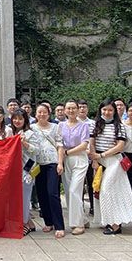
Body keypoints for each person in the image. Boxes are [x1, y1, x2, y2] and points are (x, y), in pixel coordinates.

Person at [89, 99, 132, 235]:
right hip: (99, 162)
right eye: (104, 109)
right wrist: (95, 159)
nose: (107, 112)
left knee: (108, 190)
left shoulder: (119, 126)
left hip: (114, 162)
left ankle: (116, 224)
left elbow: (120, 146)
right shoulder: (94, 125)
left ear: (114, 111)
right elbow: (91, 143)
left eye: (110, 110)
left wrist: (102, 155)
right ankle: (109, 221)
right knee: (100, 192)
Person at [31, 103, 65, 238]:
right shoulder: (32, 128)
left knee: (53, 193)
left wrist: (60, 163)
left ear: (49, 114)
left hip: (53, 163)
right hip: (38, 164)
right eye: (39, 112)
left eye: (44, 112)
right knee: (42, 194)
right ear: (35, 114)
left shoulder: (56, 127)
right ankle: (48, 222)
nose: (42, 115)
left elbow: (60, 145)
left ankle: (59, 225)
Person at [59, 100, 90, 235]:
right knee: (68, 191)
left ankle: (78, 224)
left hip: (79, 159)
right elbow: (59, 143)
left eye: (73, 108)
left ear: (77, 110)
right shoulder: (61, 126)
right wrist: (61, 159)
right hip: (65, 160)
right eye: (68, 108)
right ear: (64, 110)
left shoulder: (84, 126)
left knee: (74, 190)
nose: (71, 111)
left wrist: (67, 153)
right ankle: (84, 219)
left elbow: (84, 145)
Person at [11, 109, 39, 236]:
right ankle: (29, 223)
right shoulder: (11, 132)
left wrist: (25, 143)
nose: (17, 121)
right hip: (14, 170)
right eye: (15, 118)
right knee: (17, 198)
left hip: (26, 170)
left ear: (25, 120)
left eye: (20, 119)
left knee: (25, 198)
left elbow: (37, 150)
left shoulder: (29, 134)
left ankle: (24, 223)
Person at [77, 99, 96, 216]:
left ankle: (93, 207)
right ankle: (80, 207)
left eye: (84, 107)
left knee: (91, 183)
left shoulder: (93, 123)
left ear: (87, 109)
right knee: (79, 184)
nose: (82, 109)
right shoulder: (73, 123)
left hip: (90, 157)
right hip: (79, 156)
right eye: (80, 107)